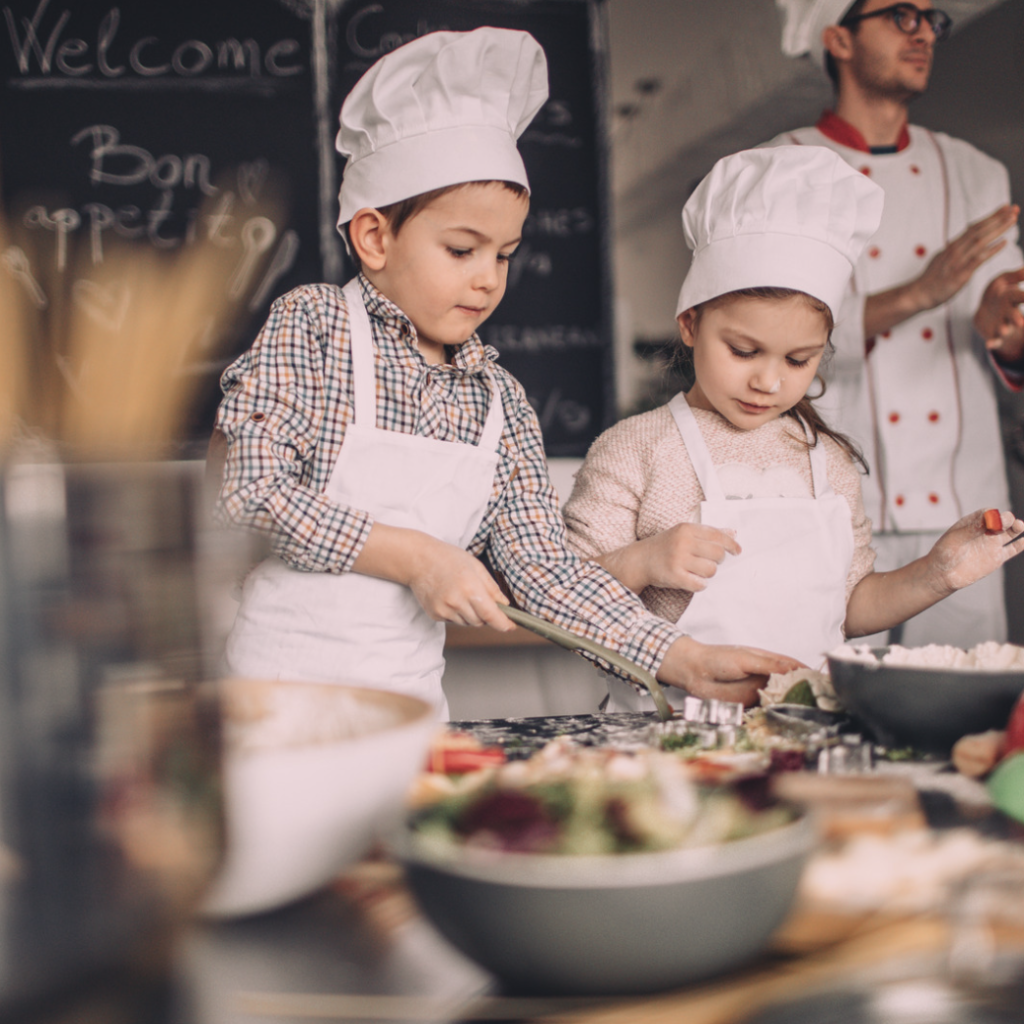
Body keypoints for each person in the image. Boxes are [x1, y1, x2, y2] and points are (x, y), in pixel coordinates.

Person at [212, 28, 800, 720]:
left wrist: (682, 657)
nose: (488, 279)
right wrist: (415, 558)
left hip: (411, 718)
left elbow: (544, 574)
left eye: (505, 254)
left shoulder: (500, 401)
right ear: (374, 238)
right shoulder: (314, 327)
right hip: (273, 708)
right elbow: (248, 492)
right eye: (462, 249)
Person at [563, 145, 1024, 714]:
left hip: (804, 730)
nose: (767, 381)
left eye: (798, 360)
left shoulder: (824, 459)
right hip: (666, 740)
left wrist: (940, 572)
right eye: (743, 350)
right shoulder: (634, 449)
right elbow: (562, 596)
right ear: (690, 323)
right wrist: (643, 561)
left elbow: (852, 609)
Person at [768, 0, 1024, 648]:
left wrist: (1007, 328)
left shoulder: (976, 172)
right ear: (838, 39)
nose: (925, 34)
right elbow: (772, 340)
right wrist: (923, 290)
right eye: (901, 16)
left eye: (931, 21)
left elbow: (1005, 331)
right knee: (835, 707)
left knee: (965, 712)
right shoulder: (780, 168)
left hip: (965, 495)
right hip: (839, 500)